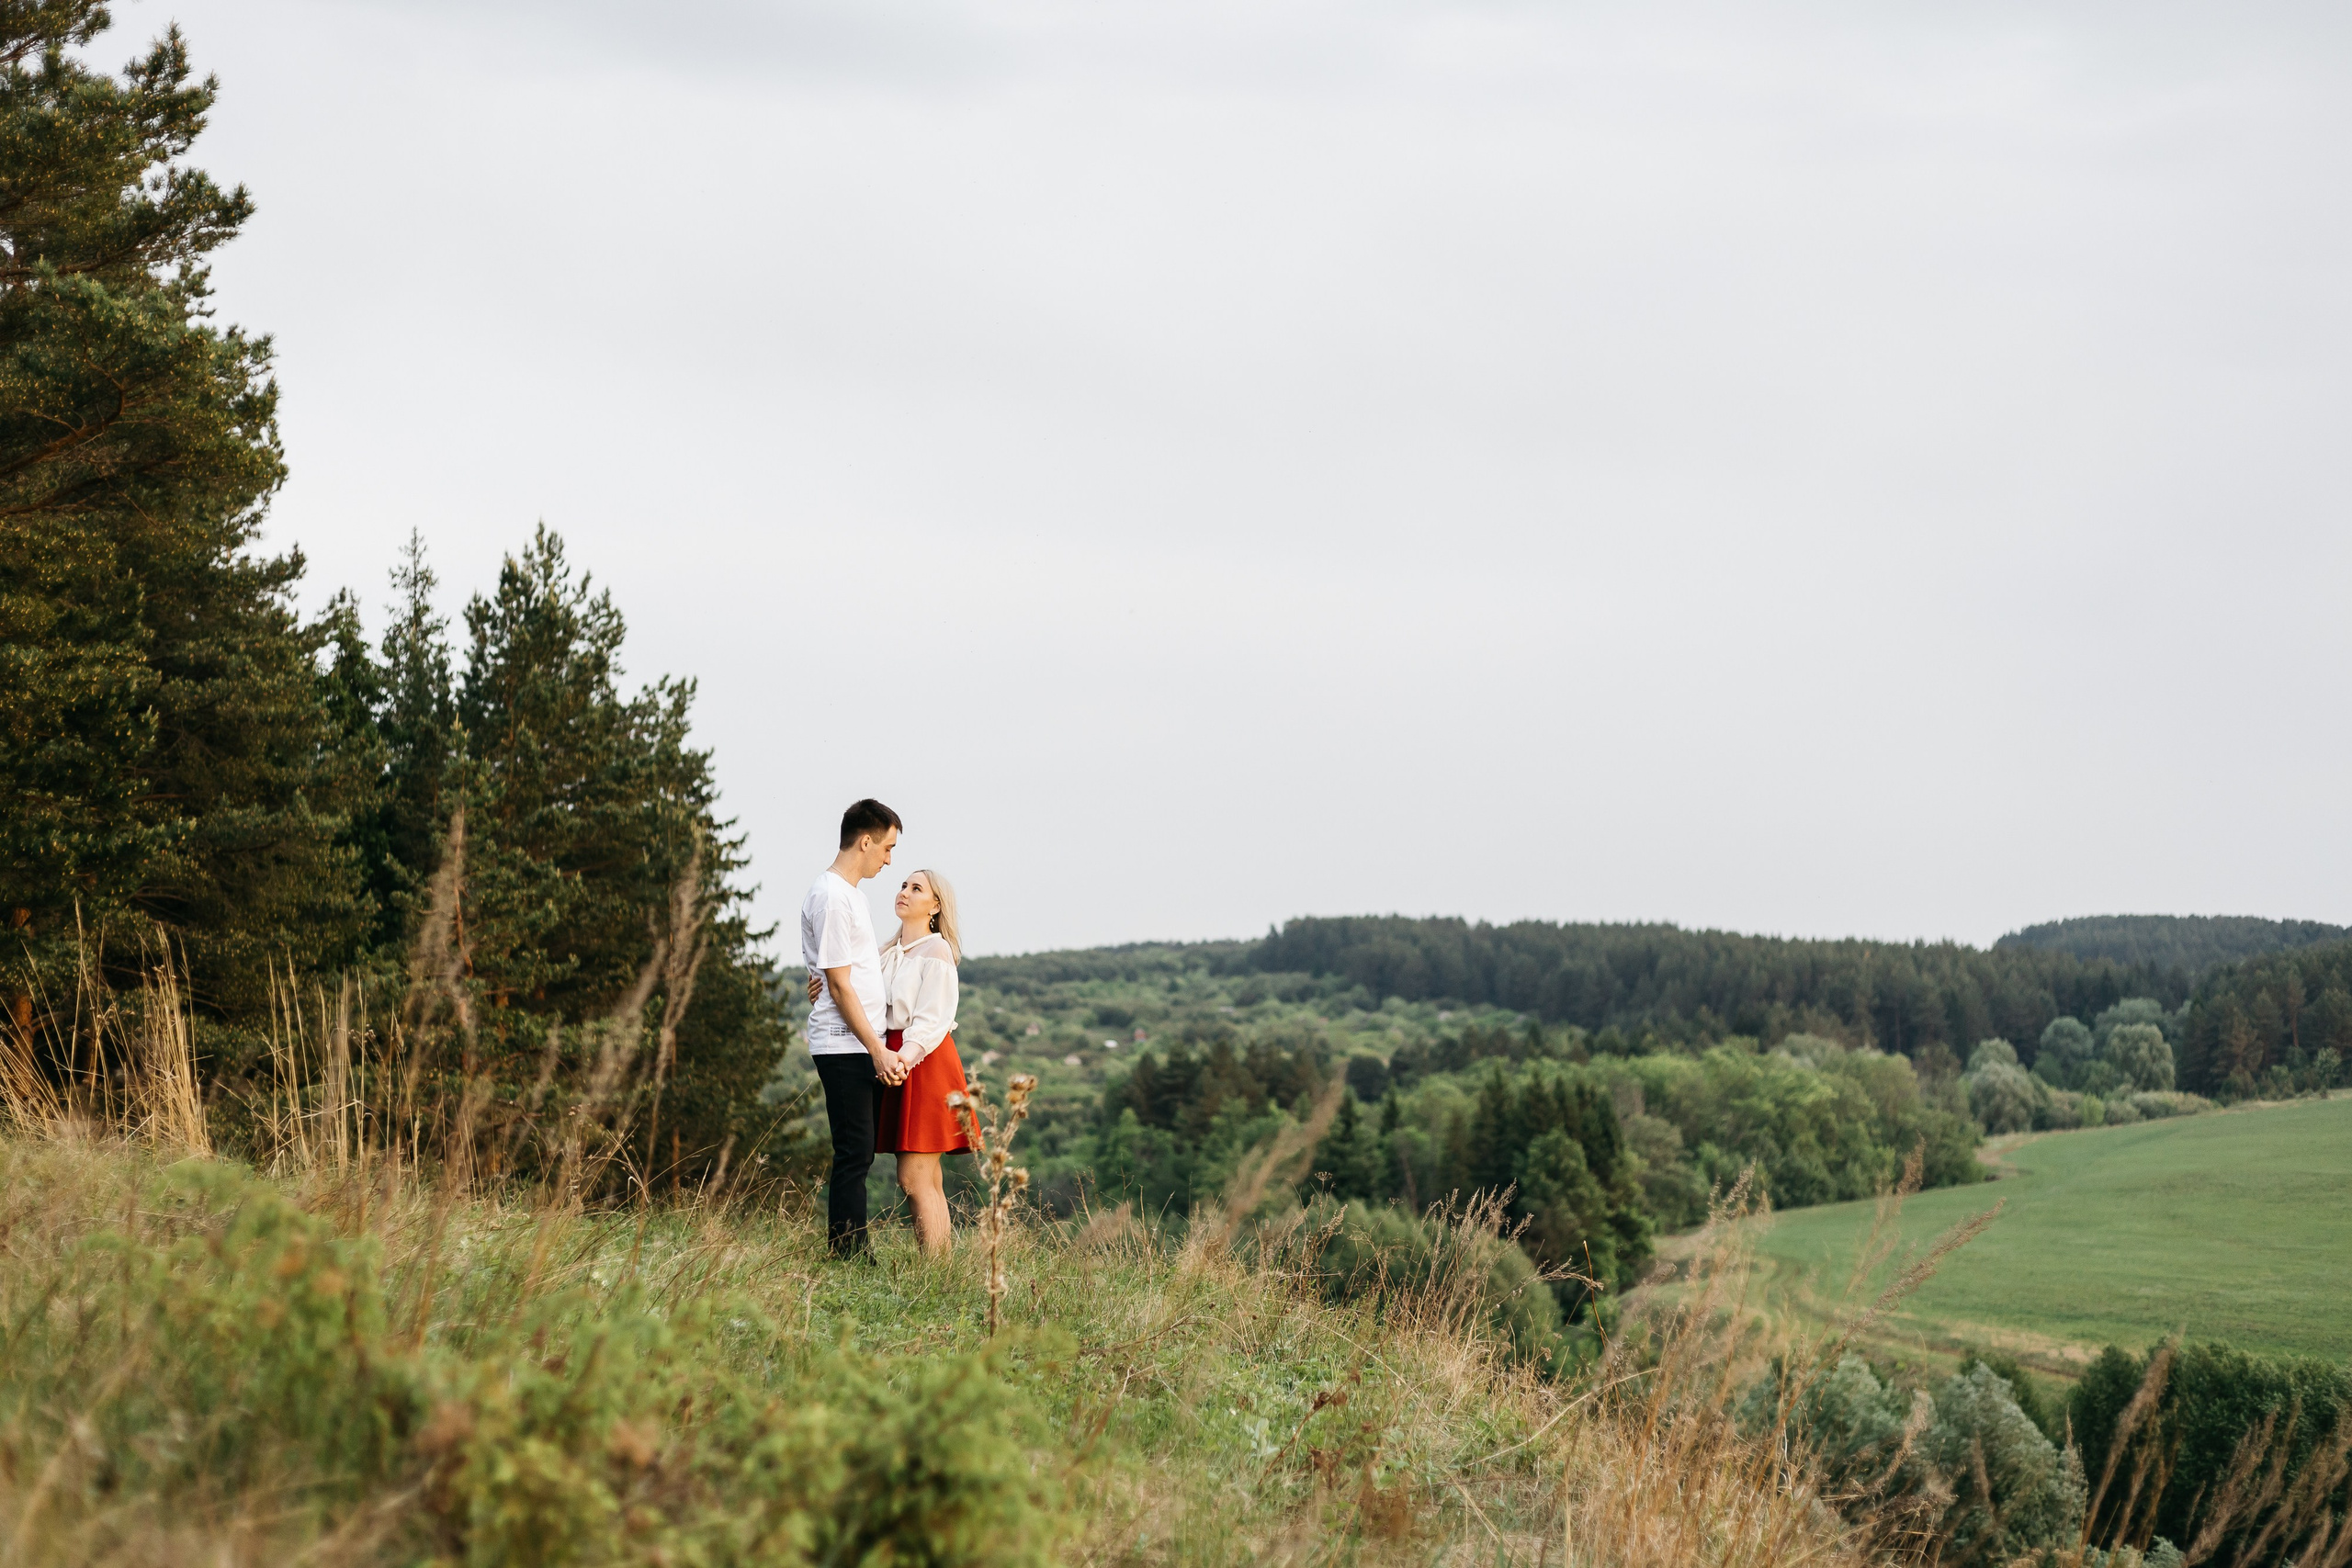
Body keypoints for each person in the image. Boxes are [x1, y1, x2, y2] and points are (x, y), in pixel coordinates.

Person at [806, 867, 971, 1256]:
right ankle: (942, 1270)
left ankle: (938, 1271)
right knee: (926, 1178)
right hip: (890, 1057)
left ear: (935, 906)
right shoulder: (884, 953)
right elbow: (855, 995)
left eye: (917, 888)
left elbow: (934, 1019)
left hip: (923, 1060)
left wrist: (903, 1061)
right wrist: (823, 990)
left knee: (914, 1177)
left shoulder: (937, 950)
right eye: (903, 885)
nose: (905, 892)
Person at [800, 797, 905, 1258]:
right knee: (854, 1152)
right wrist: (877, 1050)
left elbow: (840, 974)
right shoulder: (832, 898)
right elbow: (841, 987)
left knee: (859, 1151)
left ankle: (851, 1248)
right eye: (886, 848)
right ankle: (847, 1253)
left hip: (856, 1043)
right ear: (865, 841)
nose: (888, 859)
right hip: (845, 1045)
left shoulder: (849, 895)